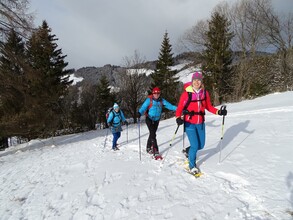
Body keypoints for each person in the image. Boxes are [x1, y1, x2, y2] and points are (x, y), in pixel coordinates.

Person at [175, 72, 227, 175]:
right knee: (195, 145)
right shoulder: (186, 94)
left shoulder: (204, 93)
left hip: (200, 122)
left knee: (201, 145)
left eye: (199, 80)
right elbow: (179, 108)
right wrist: (178, 118)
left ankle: (188, 151)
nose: (197, 82)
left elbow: (209, 106)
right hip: (189, 123)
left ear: (201, 81)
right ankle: (192, 166)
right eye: (195, 80)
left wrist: (219, 112)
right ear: (192, 81)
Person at [138, 87, 177, 156]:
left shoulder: (162, 100)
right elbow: (143, 107)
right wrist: (139, 113)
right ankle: (155, 150)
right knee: (153, 134)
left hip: (156, 120)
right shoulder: (149, 100)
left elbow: (170, 106)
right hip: (149, 119)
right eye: (155, 93)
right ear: (153, 93)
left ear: (159, 93)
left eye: (158, 93)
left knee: (152, 133)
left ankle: (148, 147)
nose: (156, 94)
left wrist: (179, 109)